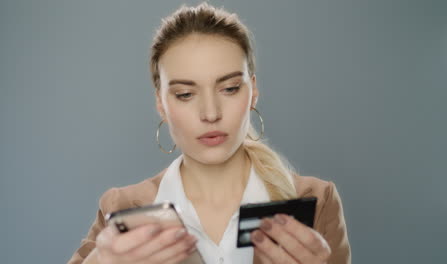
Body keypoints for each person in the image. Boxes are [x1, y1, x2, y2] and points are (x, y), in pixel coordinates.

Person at [68, 3, 351, 264]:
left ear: (252, 92)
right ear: (161, 104)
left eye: (229, 89)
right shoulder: (123, 208)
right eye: (185, 94)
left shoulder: (317, 201)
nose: (211, 113)